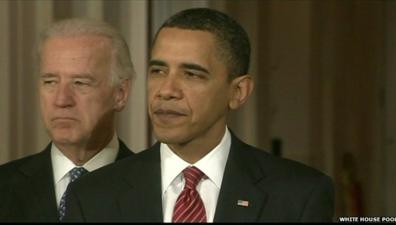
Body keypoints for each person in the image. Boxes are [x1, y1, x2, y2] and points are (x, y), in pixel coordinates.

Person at [63, 8, 335, 222]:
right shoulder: (92, 196)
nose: (166, 90)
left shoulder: (298, 195)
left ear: (238, 92)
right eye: (158, 71)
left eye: (191, 74)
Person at [0, 18, 136, 222]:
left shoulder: (154, 185)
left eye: (80, 83)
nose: (62, 100)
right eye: (50, 82)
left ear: (120, 94)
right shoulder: (5, 186)